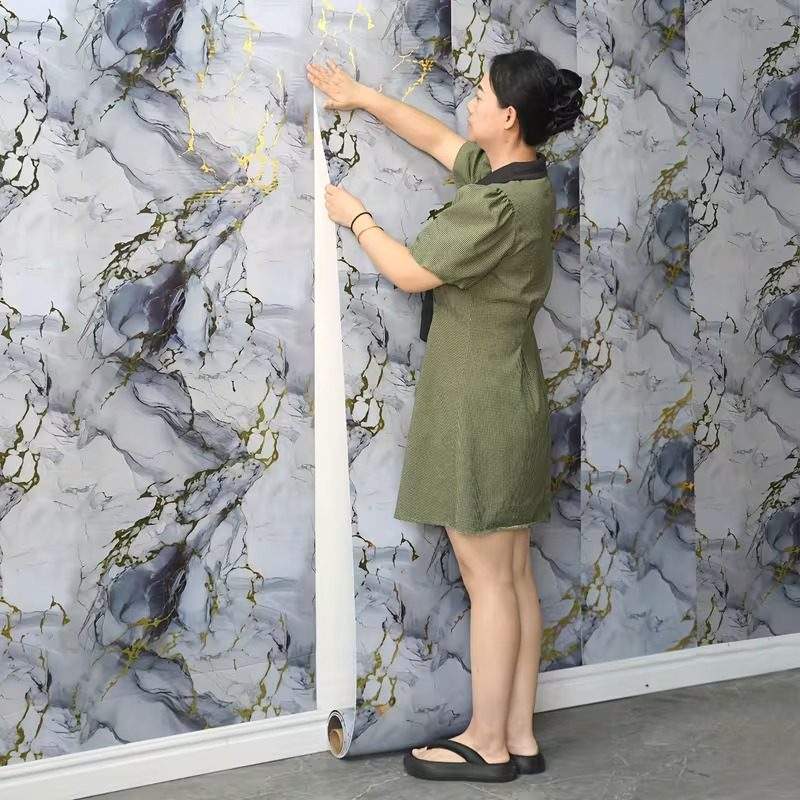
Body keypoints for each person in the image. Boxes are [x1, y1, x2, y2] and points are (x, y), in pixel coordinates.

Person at [307, 49, 584, 783]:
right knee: (512, 573)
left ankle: (487, 742)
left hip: (477, 399)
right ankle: (518, 734)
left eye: (482, 94)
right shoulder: (524, 179)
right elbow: (436, 139)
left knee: (487, 579)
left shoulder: (494, 206)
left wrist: (354, 215)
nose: (470, 101)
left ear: (508, 117)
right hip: (510, 389)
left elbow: (407, 272)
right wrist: (361, 96)